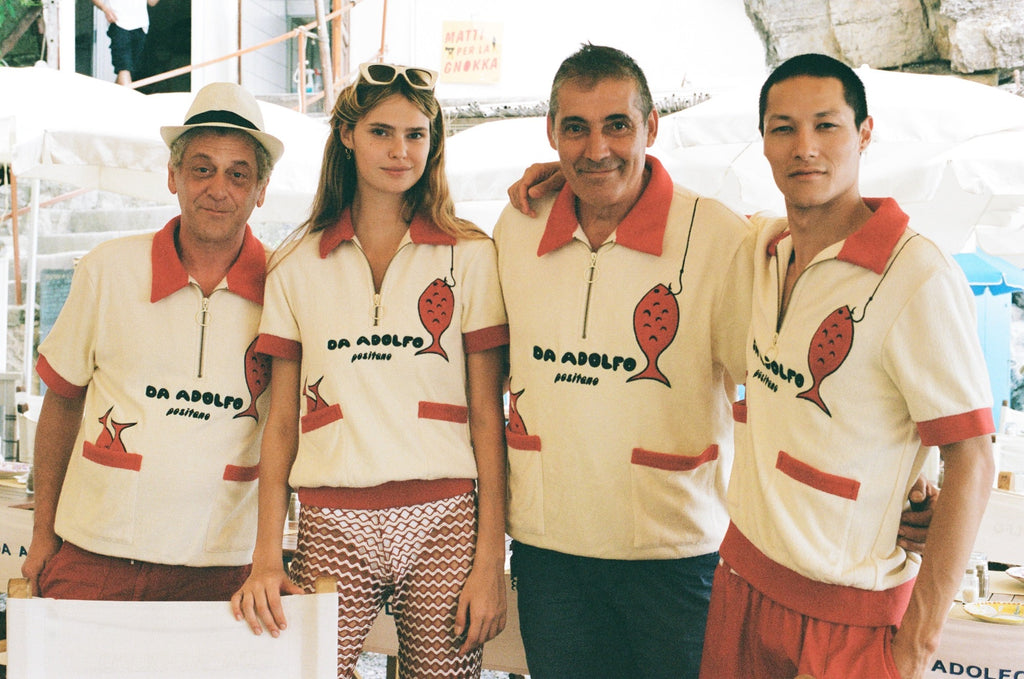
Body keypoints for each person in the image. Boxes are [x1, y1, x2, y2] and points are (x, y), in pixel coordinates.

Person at [699, 53, 995, 679]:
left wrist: (916, 645)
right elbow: (663, 203)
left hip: (850, 616)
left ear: (864, 133)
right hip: (743, 579)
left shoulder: (917, 276)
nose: (804, 147)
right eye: (783, 128)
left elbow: (972, 455)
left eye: (826, 125)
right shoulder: (761, 248)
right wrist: (574, 176)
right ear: (764, 143)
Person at [231, 62, 508, 678]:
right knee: (305, 672)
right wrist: (266, 556)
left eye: (416, 134)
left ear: (434, 143)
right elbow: (281, 424)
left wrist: (491, 558)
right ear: (348, 136)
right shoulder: (296, 263)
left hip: (444, 516)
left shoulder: (473, 255)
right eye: (382, 132)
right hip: (332, 518)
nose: (399, 150)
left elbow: (490, 416)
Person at [492, 43, 756, 679]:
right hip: (548, 551)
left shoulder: (719, 235)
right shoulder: (517, 225)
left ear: (652, 126)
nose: (596, 148)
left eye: (617, 125)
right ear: (551, 131)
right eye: (576, 128)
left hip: (675, 553)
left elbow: (773, 385)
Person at [22, 81, 283, 601]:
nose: (218, 188)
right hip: (93, 554)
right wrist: (41, 533)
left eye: (239, 174)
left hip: (225, 567)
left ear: (261, 189)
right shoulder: (107, 270)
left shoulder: (285, 286)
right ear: (173, 176)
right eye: (202, 168)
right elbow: (61, 403)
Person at [92, 0, 160, 86]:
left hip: (141, 27)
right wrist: (105, 9)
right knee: (124, 68)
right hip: (119, 25)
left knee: (127, 71)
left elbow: (151, 2)